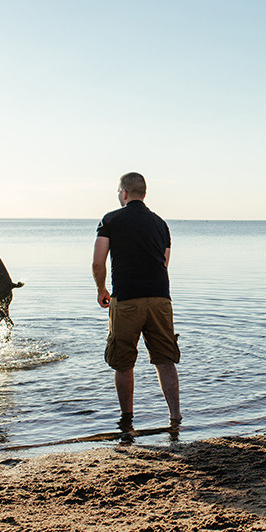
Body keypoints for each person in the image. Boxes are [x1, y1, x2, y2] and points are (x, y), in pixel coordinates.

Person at [92, 172, 181, 434]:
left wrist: (101, 289)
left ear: (124, 193)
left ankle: (127, 420)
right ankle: (175, 418)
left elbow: (98, 261)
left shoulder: (110, 220)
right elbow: (164, 263)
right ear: (144, 193)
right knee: (165, 359)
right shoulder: (160, 224)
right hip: (160, 298)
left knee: (123, 362)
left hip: (127, 298)